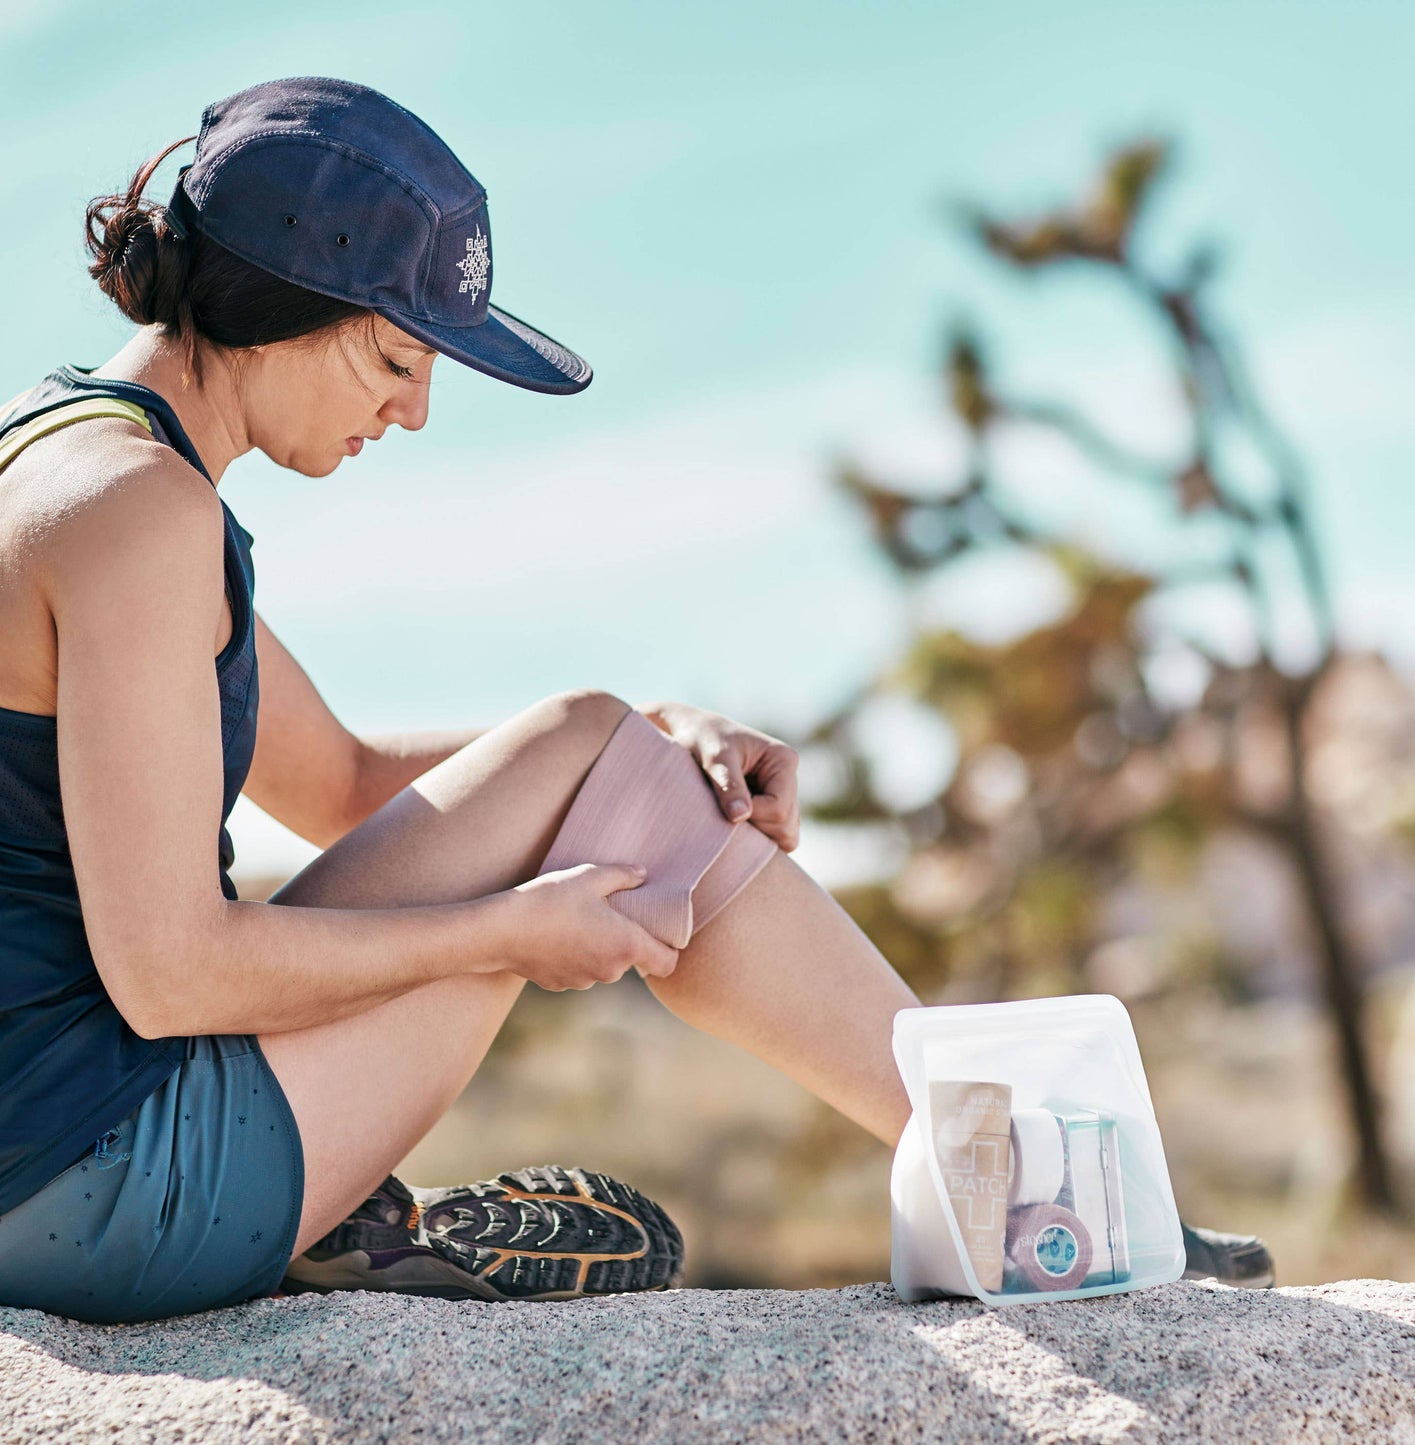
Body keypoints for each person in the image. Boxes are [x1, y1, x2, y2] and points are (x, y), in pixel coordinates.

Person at [0, 77, 1270, 1325]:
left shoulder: (66, 457)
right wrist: (509, 932)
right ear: (290, 298)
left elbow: (332, 778)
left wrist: (655, 743)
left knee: (594, 733)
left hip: (56, 1142)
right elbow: (171, 974)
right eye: (397, 353)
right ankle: (1040, 1189)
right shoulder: (139, 515)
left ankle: (1005, 1160)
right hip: (101, 1180)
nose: (416, 406)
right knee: (598, 766)